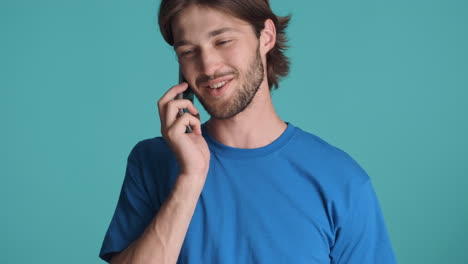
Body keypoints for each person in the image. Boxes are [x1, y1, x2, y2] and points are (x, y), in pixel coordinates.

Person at [99, 0, 397, 263]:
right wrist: (190, 179)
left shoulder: (342, 181)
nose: (208, 66)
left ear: (265, 36)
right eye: (189, 51)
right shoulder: (152, 162)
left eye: (223, 41)